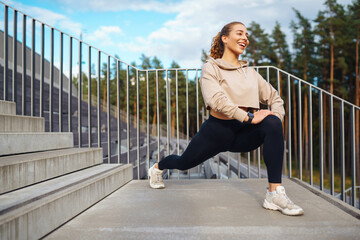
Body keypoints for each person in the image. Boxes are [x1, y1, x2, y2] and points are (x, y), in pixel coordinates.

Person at [148, 21, 304, 216]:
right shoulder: (211, 67)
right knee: (183, 162)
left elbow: (275, 98)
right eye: (240, 33)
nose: (245, 38)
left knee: (272, 122)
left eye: (247, 35)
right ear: (225, 38)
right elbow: (216, 100)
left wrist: (276, 117)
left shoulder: (250, 73)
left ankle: (274, 194)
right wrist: (248, 117)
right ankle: (157, 167)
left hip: (243, 133)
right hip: (216, 132)